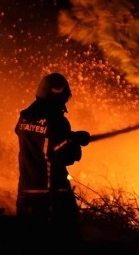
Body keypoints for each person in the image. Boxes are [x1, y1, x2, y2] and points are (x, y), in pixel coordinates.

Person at [15, 72, 90, 238]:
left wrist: (71, 136)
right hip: (53, 196)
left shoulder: (24, 117)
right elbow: (64, 155)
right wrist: (74, 143)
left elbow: (41, 140)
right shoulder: (57, 121)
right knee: (62, 245)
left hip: (26, 193)